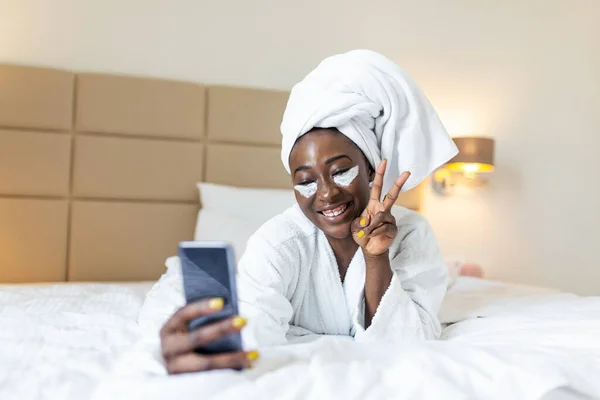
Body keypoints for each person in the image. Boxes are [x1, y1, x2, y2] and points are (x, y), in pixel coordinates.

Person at [160, 49, 458, 374]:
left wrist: (376, 257)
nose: (327, 193)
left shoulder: (412, 232)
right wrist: (210, 348)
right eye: (305, 181)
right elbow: (253, 327)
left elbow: (411, 342)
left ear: (371, 170)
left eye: (341, 171)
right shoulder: (281, 242)